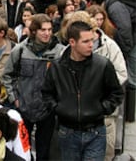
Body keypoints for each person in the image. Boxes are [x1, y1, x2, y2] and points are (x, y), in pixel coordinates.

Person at [42, 21, 124, 161]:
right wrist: (59, 109)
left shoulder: (102, 65)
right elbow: (47, 93)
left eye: (92, 40)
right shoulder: (57, 67)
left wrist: (101, 108)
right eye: (85, 41)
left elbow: (116, 93)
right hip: (67, 131)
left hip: (95, 130)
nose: (91, 45)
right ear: (72, 42)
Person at [2, 13, 65, 160]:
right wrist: (14, 99)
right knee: (23, 148)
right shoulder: (20, 50)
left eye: (49, 29)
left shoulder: (60, 51)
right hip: (25, 106)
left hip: (48, 108)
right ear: (34, 31)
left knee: (45, 149)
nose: (47, 33)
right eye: (43, 30)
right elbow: (7, 75)